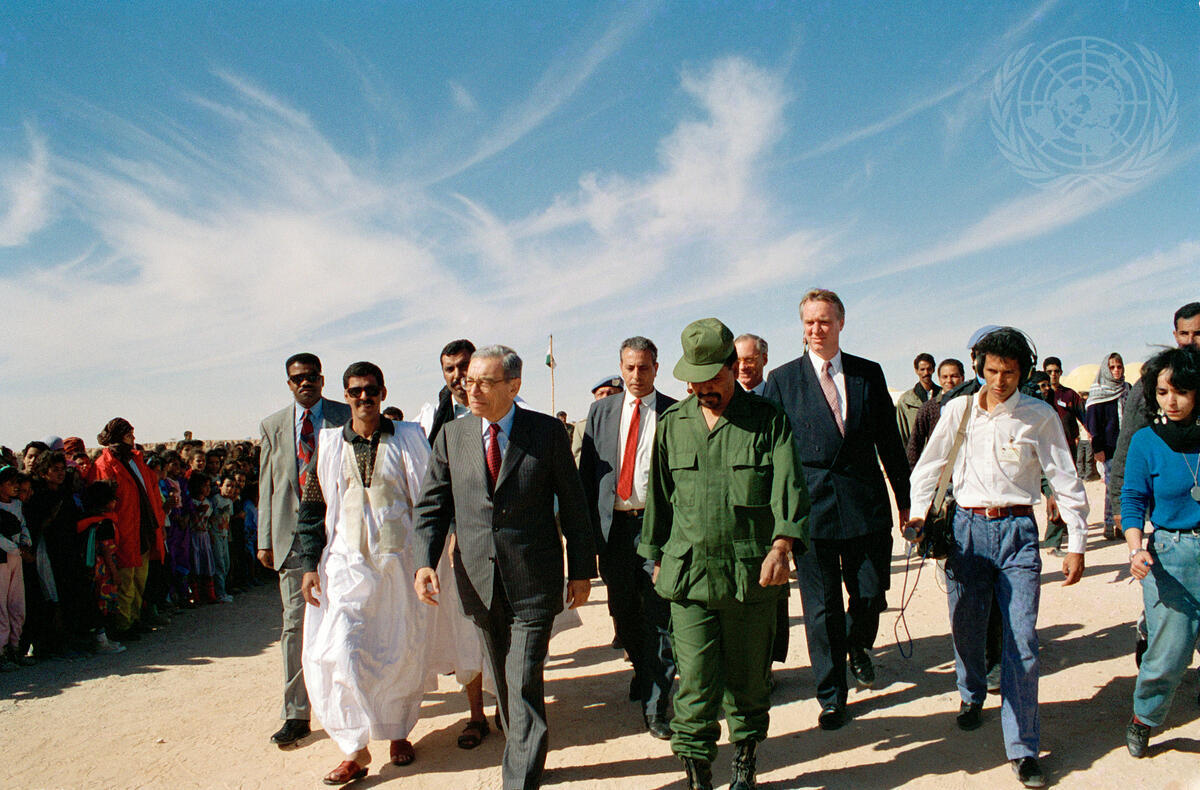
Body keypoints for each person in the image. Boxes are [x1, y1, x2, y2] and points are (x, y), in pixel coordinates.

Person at [905, 327, 1088, 788]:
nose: (1000, 381)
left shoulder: (1039, 415)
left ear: (1023, 371)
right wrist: (918, 515)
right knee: (966, 627)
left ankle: (1023, 747)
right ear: (979, 368)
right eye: (992, 371)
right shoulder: (959, 409)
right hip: (967, 533)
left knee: (1022, 640)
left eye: (1009, 372)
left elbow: (1065, 477)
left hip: (1018, 534)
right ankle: (971, 691)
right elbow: (929, 466)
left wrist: (1077, 542)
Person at [413, 345, 595, 790]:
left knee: (523, 677)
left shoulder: (546, 432)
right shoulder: (451, 436)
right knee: (504, 679)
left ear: (513, 386)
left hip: (534, 579)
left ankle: (519, 779)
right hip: (478, 580)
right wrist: (424, 563)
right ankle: (525, 752)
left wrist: (580, 571)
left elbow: (574, 505)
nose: (471, 389)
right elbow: (432, 506)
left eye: (484, 382)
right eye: (468, 380)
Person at [640, 318, 809, 790]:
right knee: (694, 683)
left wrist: (782, 545)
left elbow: (789, 488)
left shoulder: (769, 420)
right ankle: (697, 775)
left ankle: (745, 763)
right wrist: (654, 556)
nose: (703, 389)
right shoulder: (673, 425)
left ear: (735, 367)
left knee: (748, 682)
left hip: (750, 575)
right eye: (694, 380)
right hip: (689, 575)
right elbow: (660, 499)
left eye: (712, 378)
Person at [762, 288, 910, 730]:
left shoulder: (868, 373)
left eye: (824, 321)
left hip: (866, 505)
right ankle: (831, 695)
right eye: (809, 322)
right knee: (821, 608)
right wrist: (778, 520)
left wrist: (907, 503)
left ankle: (857, 643)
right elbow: (772, 453)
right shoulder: (783, 380)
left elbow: (890, 443)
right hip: (812, 512)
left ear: (841, 323)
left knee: (871, 593)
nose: (817, 329)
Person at [297, 361, 438, 784]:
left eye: (371, 389)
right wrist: (309, 564)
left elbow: (430, 502)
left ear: (383, 392)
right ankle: (354, 750)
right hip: (345, 567)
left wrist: (427, 560)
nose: (364, 397)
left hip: (399, 568)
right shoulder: (328, 445)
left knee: (399, 651)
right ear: (345, 395)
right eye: (356, 390)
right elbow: (312, 508)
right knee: (341, 650)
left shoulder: (408, 438)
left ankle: (397, 732)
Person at [579, 336, 678, 740]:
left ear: (656, 368)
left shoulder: (674, 412)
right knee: (624, 613)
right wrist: (588, 538)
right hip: (615, 531)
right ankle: (643, 669)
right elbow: (587, 478)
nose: (637, 375)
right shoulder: (600, 412)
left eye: (644, 367)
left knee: (659, 617)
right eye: (630, 367)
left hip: (656, 529)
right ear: (621, 368)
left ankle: (657, 705)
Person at [256, 352, 352, 748]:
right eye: (297, 378)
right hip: (292, 539)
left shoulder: (344, 416)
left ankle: (351, 703)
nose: (305, 383)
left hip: (341, 533)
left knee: (348, 619)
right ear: (289, 383)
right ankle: (296, 713)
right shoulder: (273, 426)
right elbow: (268, 485)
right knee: (295, 626)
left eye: (311, 376)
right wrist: (265, 539)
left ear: (322, 379)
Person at [1120, 346, 1200, 757]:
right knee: (1170, 653)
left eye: (1181, 391)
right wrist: (1136, 550)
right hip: (1171, 555)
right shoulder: (1146, 441)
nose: (1172, 400)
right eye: (1163, 391)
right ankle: (1144, 718)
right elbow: (1133, 499)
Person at [1110, 303, 1200, 532]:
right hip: (1172, 519)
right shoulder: (1154, 381)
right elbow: (1128, 441)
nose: (1190, 341)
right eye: (1184, 334)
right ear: (1175, 335)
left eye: (1198, 334)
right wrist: (1119, 503)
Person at [90, 418, 166, 643]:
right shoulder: (104, 465)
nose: (133, 439)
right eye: (128, 435)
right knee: (124, 581)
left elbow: (152, 493)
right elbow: (102, 501)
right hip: (122, 531)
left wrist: (159, 522)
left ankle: (134, 618)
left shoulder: (136, 461)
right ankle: (123, 625)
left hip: (143, 529)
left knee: (139, 579)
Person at [1086, 352, 1131, 539]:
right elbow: (1092, 424)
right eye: (1112, 367)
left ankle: (1123, 526)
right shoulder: (1098, 391)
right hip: (1109, 448)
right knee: (1113, 487)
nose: (1116, 370)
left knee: (1127, 487)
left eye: (1119, 366)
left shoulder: (1127, 389)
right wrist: (1098, 450)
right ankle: (1110, 524)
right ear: (1106, 369)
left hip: (1127, 446)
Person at [906, 358, 967, 468]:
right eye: (945, 377)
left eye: (954, 376)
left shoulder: (972, 405)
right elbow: (914, 445)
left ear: (962, 378)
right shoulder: (928, 408)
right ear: (939, 379)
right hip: (939, 469)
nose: (949, 381)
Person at [0, 466, 31, 670]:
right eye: (10, 483)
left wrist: (26, 542)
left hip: (16, 559)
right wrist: (17, 549)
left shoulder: (17, 505)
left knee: (17, 605)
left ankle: (15, 647)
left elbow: (23, 526)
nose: (15, 487)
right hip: (3, 559)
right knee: (1, 607)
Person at [416, 339, 476, 440]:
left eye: (463, 366)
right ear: (443, 374)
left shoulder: (498, 409)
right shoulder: (430, 419)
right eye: (450, 369)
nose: (457, 375)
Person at [571, 376, 623, 465]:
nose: (605, 397)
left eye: (610, 393)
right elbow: (578, 459)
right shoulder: (583, 427)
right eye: (601, 394)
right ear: (595, 397)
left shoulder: (629, 422)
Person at [896, 353, 941, 449]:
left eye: (929, 369)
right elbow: (902, 434)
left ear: (933, 369)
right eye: (922, 369)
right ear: (916, 371)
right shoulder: (906, 401)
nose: (926, 373)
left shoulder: (943, 396)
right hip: (917, 453)